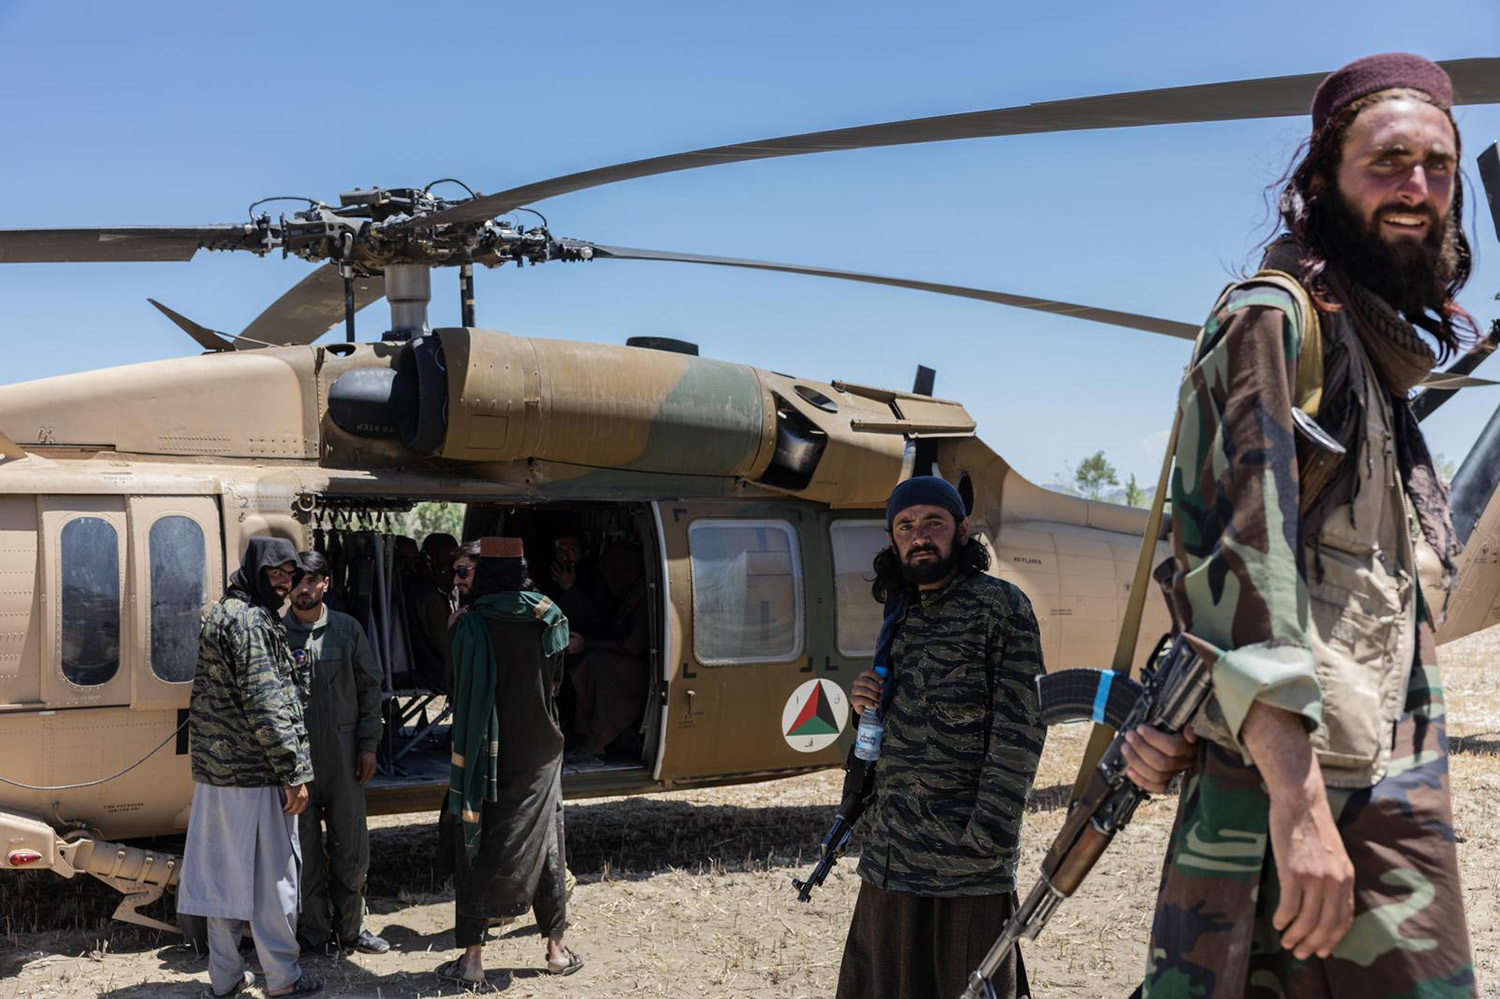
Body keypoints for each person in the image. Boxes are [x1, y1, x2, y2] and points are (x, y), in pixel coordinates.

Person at [1123, 53, 1476, 996]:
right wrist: (1300, 801)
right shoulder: (1271, 322)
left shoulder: (1364, 349)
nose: (1418, 188)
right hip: (1310, 790)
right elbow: (1239, 553)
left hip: (1380, 778)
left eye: (1437, 167)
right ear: (1319, 181)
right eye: (1388, 160)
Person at [836, 476, 1044, 999]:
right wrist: (865, 706)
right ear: (892, 539)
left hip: (965, 862)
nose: (920, 535)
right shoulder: (899, 615)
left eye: (934, 522)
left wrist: (985, 838)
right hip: (891, 854)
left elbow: (1020, 729)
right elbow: (886, 738)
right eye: (906, 525)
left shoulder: (1001, 607)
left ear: (962, 531)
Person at [435, 538, 584, 986]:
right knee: (548, 841)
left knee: (475, 839)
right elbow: (556, 680)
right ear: (521, 572)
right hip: (540, 749)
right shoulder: (548, 615)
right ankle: (556, 950)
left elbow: (456, 686)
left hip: (485, 750)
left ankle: (473, 960)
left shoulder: (470, 624)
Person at [178, 537, 323, 998]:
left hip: (218, 775)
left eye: (290, 573)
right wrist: (292, 771)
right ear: (255, 570)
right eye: (275, 572)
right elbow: (267, 705)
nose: (283, 582)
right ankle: (283, 978)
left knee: (223, 880)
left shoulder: (224, 611)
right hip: (256, 775)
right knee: (273, 882)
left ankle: (224, 980)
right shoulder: (252, 622)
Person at [283, 551, 389, 956]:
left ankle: (351, 929)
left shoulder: (346, 630)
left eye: (311, 581)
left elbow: (369, 688)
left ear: (325, 582)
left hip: (344, 759)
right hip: (298, 763)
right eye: (296, 582)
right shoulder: (275, 632)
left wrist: (368, 745)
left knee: (351, 849)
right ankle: (312, 932)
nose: (303, 590)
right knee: (304, 852)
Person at [566, 543, 649, 758]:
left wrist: (587, 645)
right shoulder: (625, 595)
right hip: (621, 657)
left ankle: (596, 741)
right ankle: (586, 737)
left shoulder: (644, 595)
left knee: (595, 665)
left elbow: (633, 645)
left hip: (636, 666)